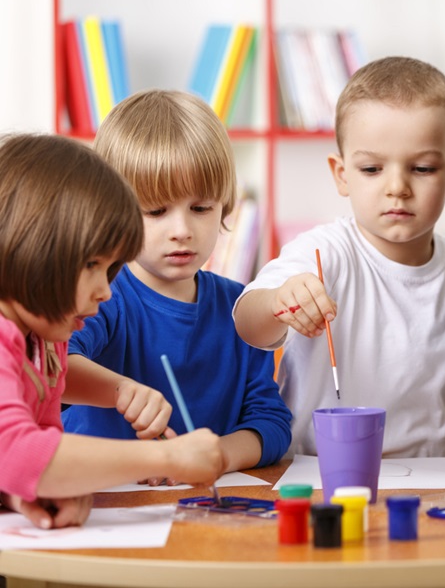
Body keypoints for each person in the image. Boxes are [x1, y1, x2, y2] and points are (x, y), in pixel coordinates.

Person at [233, 56, 445, 474]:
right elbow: (248, 324)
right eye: (372, 168)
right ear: (341, 174)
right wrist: (279, 301)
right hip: (317, 471)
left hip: (436, 472)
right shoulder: (322, 253)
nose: (397, 188)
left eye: (422, 168)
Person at [61, 90, 293, 476]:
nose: (182, 230)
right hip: (101, 497)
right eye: (156, 211)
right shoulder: (100, 297)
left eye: (201, 208)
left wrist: (217, 456)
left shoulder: (243, 309)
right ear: (112, 214)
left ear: (225, 207)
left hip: (198, 501)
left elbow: (271, 423)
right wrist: (123, 391)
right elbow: (53, 369)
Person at [0, 133, 224, 529]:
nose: (105, 291)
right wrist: (168, 458)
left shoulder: (46, 343)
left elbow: (29, 451)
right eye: (92, 265)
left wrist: (23, 494)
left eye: (111, 269)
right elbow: (17, 450)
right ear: (28, 248)